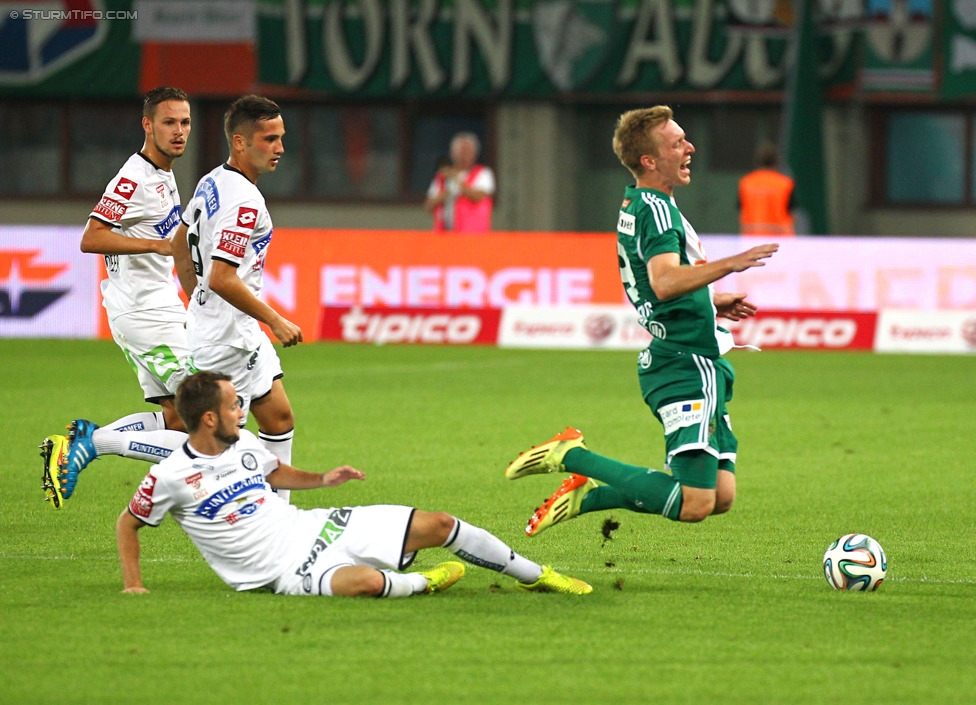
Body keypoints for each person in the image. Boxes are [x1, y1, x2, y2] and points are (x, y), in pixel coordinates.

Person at [504, 106, 778, 537]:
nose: (690, 148)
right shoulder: (657, 210)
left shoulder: (641, 202)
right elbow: (665, 281)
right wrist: (731, 264)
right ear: (649, 161)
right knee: (695, 503)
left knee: (720, 496)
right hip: (686, 363)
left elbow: (656, 284)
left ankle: (582, 494)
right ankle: (572, 457)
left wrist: (710, 302)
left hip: (689, 354)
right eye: (676, 143)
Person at [116, 371, 593, 597]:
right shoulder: (170, 475)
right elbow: (128, 524)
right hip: (281, 572)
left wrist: (323, 480)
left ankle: (537, 576)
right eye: (234, 406)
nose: (243, 412)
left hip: (313, 526)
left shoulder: (243, 444)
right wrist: (133, 586)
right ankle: (421, 581)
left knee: (441, 524)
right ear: (207, 418)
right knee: (365, 583)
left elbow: (273, 473)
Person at [43, 87, 195, 509]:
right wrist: (155, 246)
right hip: (146, 313)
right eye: (169, 122)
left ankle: (86, 443)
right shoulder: (135, 177)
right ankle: (92, 443)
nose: (179, 131)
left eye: (184, 122)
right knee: (208, 420)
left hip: (155, 307)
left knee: (179, 419)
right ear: (147, 125)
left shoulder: (163, 173)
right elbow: (91, 237)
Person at [423, 132, 495, 232]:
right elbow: (428, 205)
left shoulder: (483, 173)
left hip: (473, 236)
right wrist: (445, 194)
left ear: (475, 154)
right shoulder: (442, 177)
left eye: (467, 151)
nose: (464, 155)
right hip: (445, 234)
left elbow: (478, 196)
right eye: (460, 151)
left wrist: (457, 180)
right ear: (452, 153)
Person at [737, 141, 795, 236]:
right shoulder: (785, 183)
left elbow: (742, 211)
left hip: (752, 240)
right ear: (776, 160)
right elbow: (792, 212)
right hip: (781, 240)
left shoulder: (746, 183)